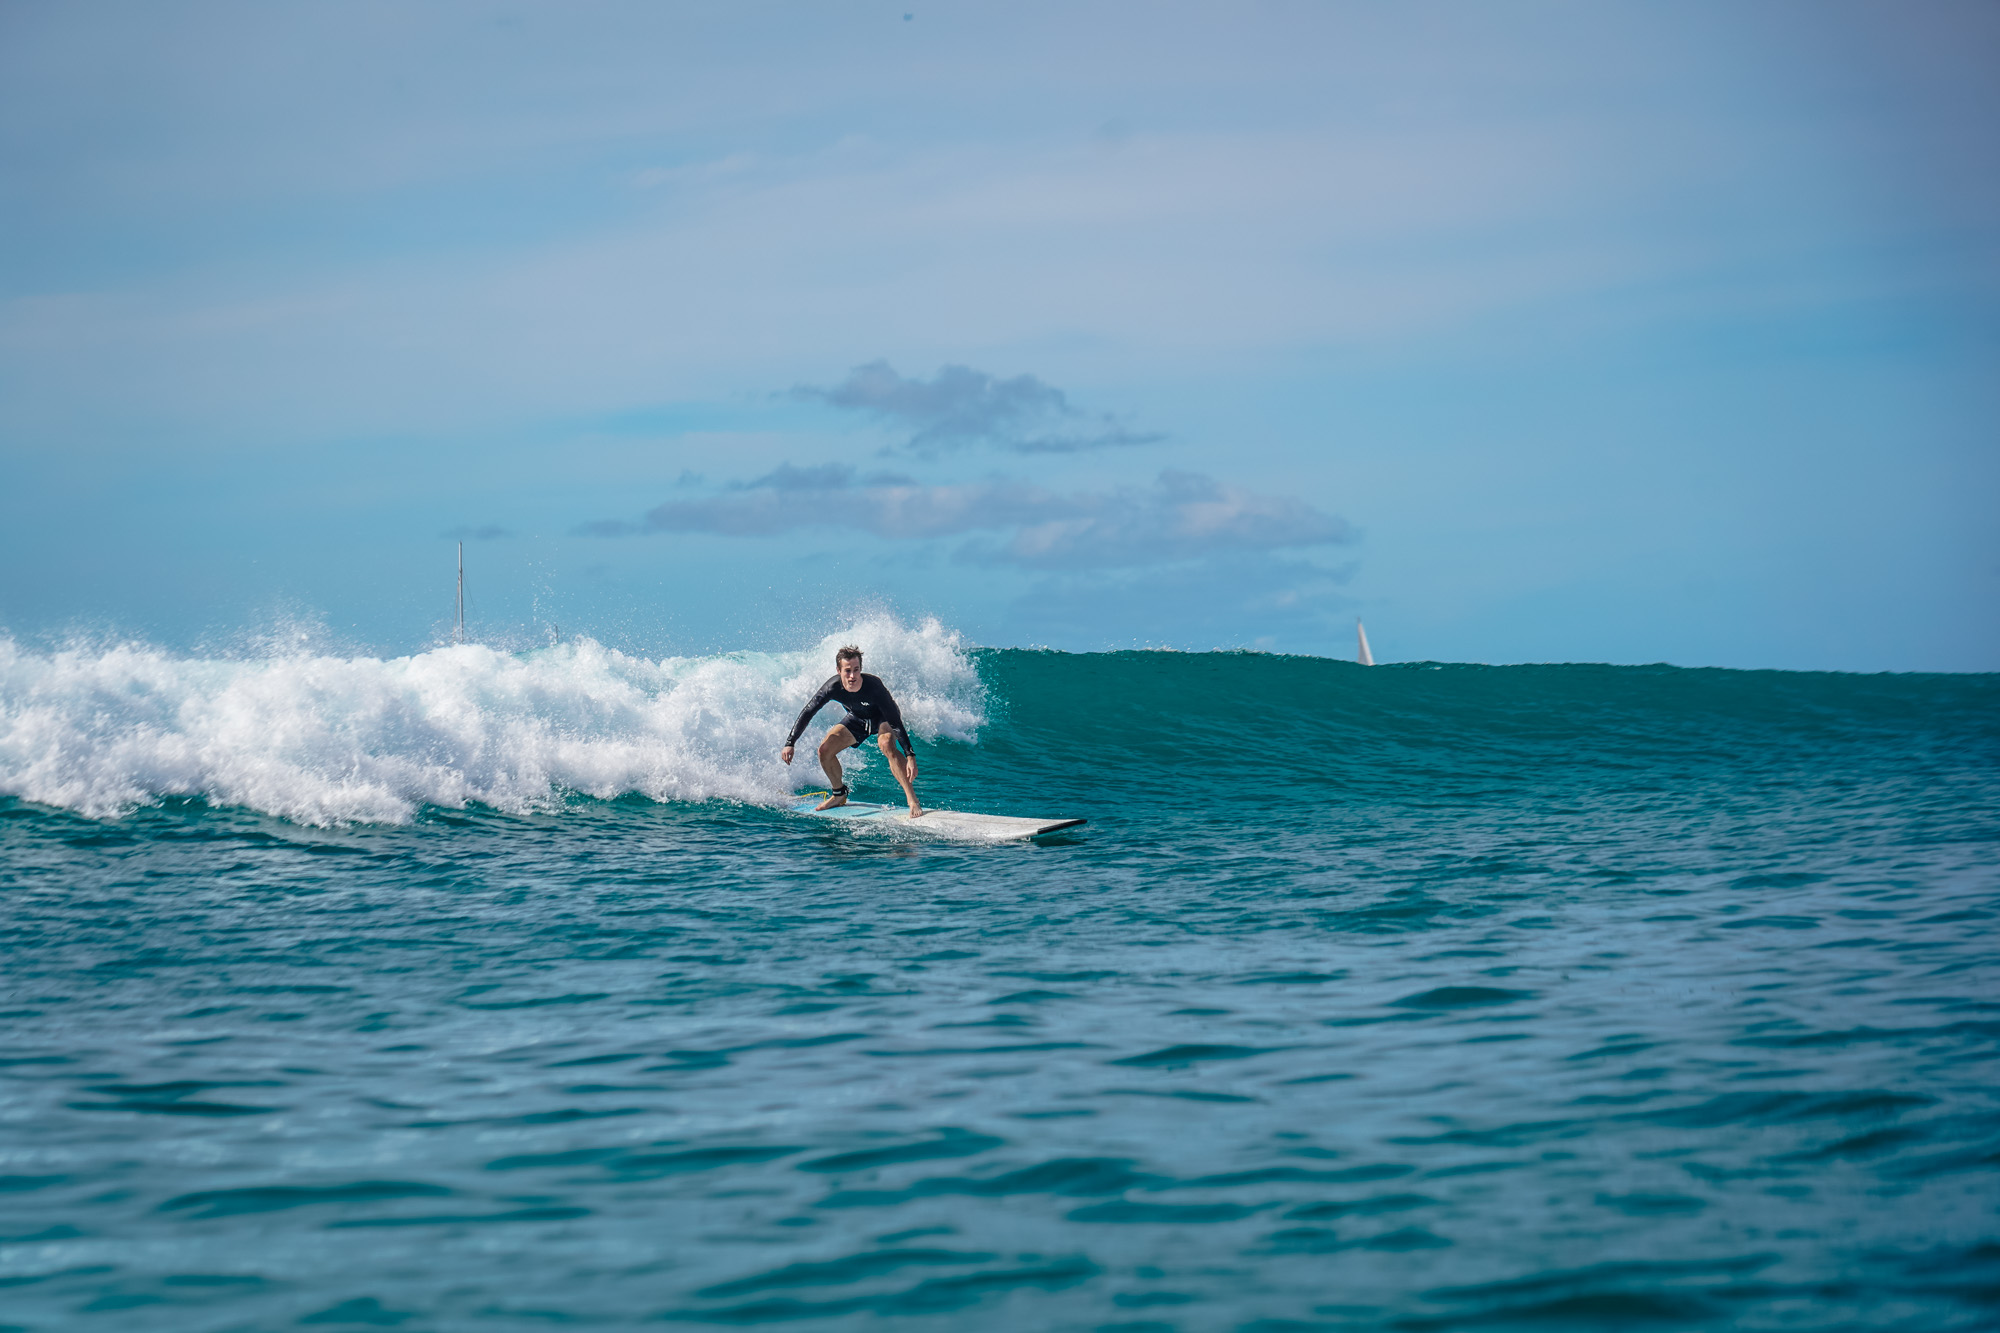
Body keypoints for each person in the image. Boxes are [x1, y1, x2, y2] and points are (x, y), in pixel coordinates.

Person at [780, 645, 923, 817]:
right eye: (847, 671)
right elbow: (808, 711)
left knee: (886, 744)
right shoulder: (832, 687)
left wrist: (910, 756)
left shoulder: (874, 687)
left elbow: (895, 721)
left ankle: (912, 800)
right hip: (857, 718)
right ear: (838, 670)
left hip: (882, 718)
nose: (852, 676)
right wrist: (790, 743)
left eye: (856, 670)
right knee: (824, 750)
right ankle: (839, 794)